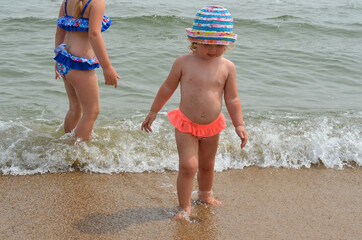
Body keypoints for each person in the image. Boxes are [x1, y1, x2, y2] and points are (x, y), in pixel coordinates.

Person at [141, 5, 247, 220]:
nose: (212, 49)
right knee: (188, 166)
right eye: (207, 43)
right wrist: (153, 111)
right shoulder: (183, 62)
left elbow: (232, 98)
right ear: (195, 40)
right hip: (186, 124)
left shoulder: (227, 67)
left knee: (207, 165)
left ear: (227, 43)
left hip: (213, 124)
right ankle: (184, 206)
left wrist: (239, 124)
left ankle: (206, 194)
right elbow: (167, 88)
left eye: (219, 44)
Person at [54, 0, 120, 141]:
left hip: (65, 61)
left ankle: (68, 145)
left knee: (75, 108)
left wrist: (57, 58)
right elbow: (94, 35)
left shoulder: (66, 2)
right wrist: (107, 67)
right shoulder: (96, 2)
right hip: (79, 65)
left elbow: (59, 32)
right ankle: (78, 155)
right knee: (92, 112)